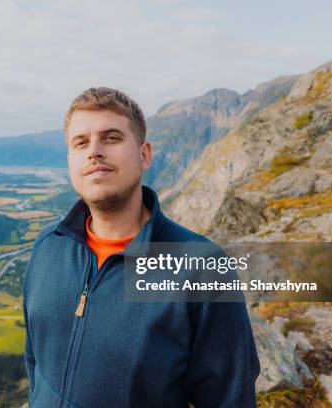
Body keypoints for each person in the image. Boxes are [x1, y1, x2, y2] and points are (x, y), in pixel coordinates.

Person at [22, 87, 260, 407]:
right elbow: (35, 364)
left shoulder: (201, 267)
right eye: (81, 142)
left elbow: (229, 400)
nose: (94, 151)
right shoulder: (48, 247)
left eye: (111, 138)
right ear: (71, 160)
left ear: (144, 155)